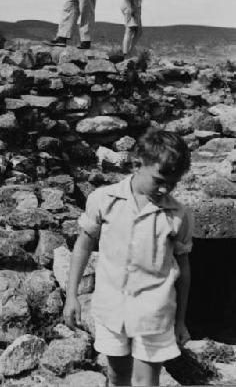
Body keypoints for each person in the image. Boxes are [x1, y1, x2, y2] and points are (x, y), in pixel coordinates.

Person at [64, 129, 193, 386]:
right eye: (159, 180)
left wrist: (181, 321)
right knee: (118, 375)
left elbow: (184, 271)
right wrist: (71, 296)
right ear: (137, 165)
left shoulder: (179, 214)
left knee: (146, 381)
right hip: (112, 309)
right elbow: (83, 246)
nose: (165, 188)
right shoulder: (104, 200)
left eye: (173, 182)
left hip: (154, 312)